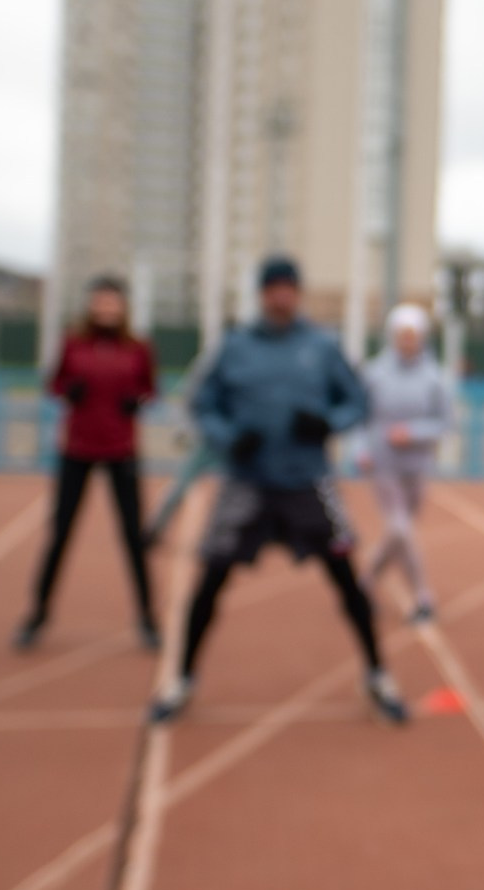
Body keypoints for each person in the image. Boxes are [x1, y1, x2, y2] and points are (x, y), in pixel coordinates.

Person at [157, 255, 405, 726]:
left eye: (289, 287)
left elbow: (358, 400)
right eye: (273, 288)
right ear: (261, 293)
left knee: (347, 579)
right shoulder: (234, 347)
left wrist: (328, 424)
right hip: (247, 482)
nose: (282, 296)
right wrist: (228, 437)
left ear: (299, 292)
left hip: (308, 481)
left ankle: (377, 673)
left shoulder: (322, 346)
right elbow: (200, 403)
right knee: (210, 579)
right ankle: (183, 678)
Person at [17, 275, 159, 650]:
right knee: (60, 533)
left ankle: (147, 618)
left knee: (133, 537)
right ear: (90, 305)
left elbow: (150, 389)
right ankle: (37, 614)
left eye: (113, 302)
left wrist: (138, 402)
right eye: (100, 301)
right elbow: (55, 384)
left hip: (121, 450)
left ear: (124, 306)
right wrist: (68, 392)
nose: (106, 308)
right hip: (77, 450)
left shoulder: (138, 348)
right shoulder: (73, 342)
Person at [361, 302, 453, 623]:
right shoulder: (375, 373)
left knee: (399, 533)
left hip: (417, 466)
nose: (407, 341)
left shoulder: (435, 378)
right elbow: (363, 416)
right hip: (384, 463)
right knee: (399, 528)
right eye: (402, 335)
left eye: (413, 335)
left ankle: (366, 581)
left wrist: (413, 432)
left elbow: (444, 422)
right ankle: (422, 597)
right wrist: (362, 449)